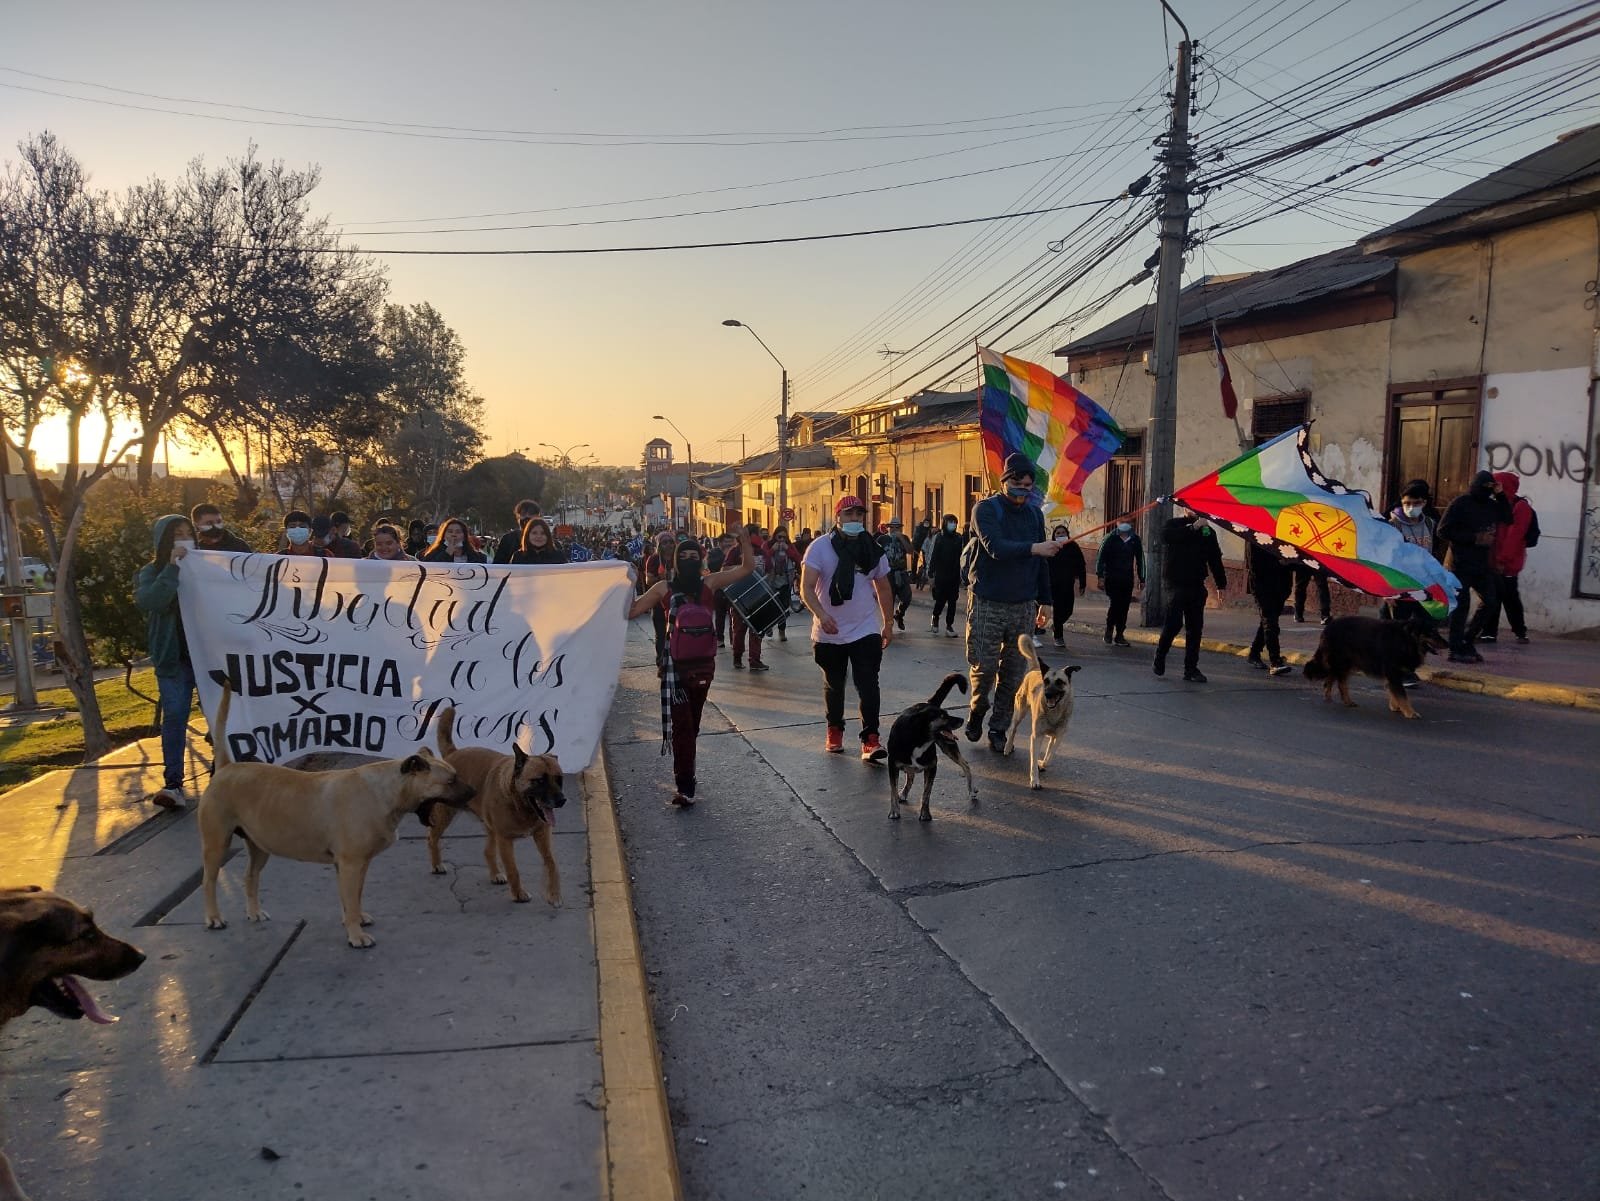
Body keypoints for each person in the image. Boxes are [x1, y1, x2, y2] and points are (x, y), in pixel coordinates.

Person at [628, 522, 755, 807]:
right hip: (673, 668)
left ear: (701, 558)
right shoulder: (663, 588)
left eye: (693, 556)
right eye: (682, 557)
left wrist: (745, 542)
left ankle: (687, 770)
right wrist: (621, 583)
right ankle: (685, 785)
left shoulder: (709, 583)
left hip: (703, 667)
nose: (688, 561)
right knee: (683, 726)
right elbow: (633, 610)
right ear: (674, 560)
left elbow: (746, 569)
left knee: (691, 724)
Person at [963, 455, 1059, 753]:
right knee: (985, 668)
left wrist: (1046, 601)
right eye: (1016, 484)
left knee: (1014, 673)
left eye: (1028, 486)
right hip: (988, 602)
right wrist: (1034, 548)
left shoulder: (1034, 515)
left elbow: (1041, 561)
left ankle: (998, 728)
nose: (1022, 490)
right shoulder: (985, 510)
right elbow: (996, 548)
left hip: (1023, 604)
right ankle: (978, 709)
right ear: (1004, 481)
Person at [800, 496, 894, 760]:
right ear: (838, 516)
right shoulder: (820, 548)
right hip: (828, 630)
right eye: (849, 514)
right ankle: (834, 730)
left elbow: (884, 587)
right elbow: (806, 588)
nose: (854, 520)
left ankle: (871, 739)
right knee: (835, 684)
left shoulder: (872, 549)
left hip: (865, 628)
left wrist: (887, 623)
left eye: (858, 515)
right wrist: (820, 614)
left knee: (868, 684)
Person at [134, 515, 198, 809]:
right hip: (174, 660)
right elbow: (152, 601)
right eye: (177, 535)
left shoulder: (207, 568)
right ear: (164, 542)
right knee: (175, 716)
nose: (185, 539)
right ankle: (173, 783)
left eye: (188, 533)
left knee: (221, 717)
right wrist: (172, 567)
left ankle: (230, 777)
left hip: (207, 656)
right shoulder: (151, 572)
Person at [1437, 470, 1511, 664]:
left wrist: (1500, 494)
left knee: (1491, 602)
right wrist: (1474, 538)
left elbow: (1508, 517)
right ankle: (1455, 648)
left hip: (1481, 565)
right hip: (1459, 564)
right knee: (1461, 608)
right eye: (1485, 488)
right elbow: (1443, 530)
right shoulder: (1461, 504)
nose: (1487, 492)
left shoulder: (1492, 505)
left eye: (1490, 488)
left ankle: (1467, 640)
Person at [1153, 513, 1226, 683]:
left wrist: (1221, 584)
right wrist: (1193, 528)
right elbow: (1167, 536)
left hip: (1196, 584)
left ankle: (1191, 669)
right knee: (1173, 624)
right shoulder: (1174, 524)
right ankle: (1160, 655)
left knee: (1195, 628)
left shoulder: (1207, 532)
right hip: (1176, 584)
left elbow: (1214, 558)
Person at [1478, 470, 1535, 645]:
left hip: (1508, 562)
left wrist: (1503, 560)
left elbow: (1514, 537)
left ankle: (1520, 631)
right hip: (1493, 560)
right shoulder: (1497, 504)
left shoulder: (1520, 507)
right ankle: (1489, 632)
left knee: (1510, 597)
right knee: (1493, 596)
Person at [723, 525, 769, 671]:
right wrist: (744, 568)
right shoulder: (735, 551)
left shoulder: (761, 551)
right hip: (739, 596)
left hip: (758, 595)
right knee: (739, 630)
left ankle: (754, 660)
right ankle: (737, 658)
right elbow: (724, 569)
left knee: (757, 630)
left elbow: (769, 569)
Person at [1245, 543, 1294, 676]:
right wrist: (1281, 564)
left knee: (1268, 621)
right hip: (1262, 586)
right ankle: (1275, 661)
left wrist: (1290, 563)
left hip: (1281, 586)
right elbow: (1255, 565)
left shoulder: (1281, 535)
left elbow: (1293, 557)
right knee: (1270, 622)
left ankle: (1254, 653)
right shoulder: (1254, 537)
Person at [1095, 519, 1145, 646]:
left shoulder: (1135, 539)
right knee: (1115, 604)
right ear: (1117, 523)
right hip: (1112, 578)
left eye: (1129, 521)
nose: (1126, 523)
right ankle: (1109, 629)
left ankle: (1120, 634)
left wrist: (1142, 578)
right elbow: (1100, 557)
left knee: (1124, 607)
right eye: (1123, 521)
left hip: (1127, 579)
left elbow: (1140, 559)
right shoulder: (1110, 538)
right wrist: (1100, 576)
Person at [1045, 522, 1087, 648]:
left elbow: (1081, 565)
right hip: (1054, 584)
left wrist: (1082, 583)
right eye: (1058, 533)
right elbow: (1044, 565)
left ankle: (1056, 625)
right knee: (1058, 610)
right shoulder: (1051, 547)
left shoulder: (1073, 547)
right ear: (1054, 535)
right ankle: (1058, 637)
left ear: (1067, 534)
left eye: (1063, 533)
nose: (1061, 535)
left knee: (1068, 610)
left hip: (1068, 584)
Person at [926, 513, 963, 637]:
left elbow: (962, 556)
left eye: (955, 522)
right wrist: (930, 574)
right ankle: (935, 618)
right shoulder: (939, 538)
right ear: (945, 523)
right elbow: (933, 556)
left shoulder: (958, 538)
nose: (953, 525)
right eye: (950, 522)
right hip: (941, 575)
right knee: (940, 600)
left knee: (953, 601)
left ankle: (949, 626)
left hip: (954, 575)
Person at [643, 531, 677, 662]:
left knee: (676, 633)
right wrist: (660, 578)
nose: (668, 545)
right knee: (661, 635)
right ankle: (661, 662)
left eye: (670, 542)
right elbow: (648, 580)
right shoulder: (654, 559)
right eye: (664, 542)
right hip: (659, 603)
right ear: (659, 545)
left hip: (676, 601)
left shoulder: (678, 557)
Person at [878, 519, 914, 631]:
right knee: (889, 599)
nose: (894, 530)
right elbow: (875, 554)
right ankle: (888, 624)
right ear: (888, 528)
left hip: (901, 572)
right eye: (892, 527)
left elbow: (910, 551)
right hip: (888, 573)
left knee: (907, 597)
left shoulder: (905, 538)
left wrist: (901, 538)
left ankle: (899, 614)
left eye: (897, 527)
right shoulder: (882, 539)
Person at [766, 527, 800, 643]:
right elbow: (763, 558)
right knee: (771, 606)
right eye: (779, 537)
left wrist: (788, 550)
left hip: (785, 580)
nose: (781, 540)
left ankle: (782, 631)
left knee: (783, 607)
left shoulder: (789, 546)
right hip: (771, 580)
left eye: (784, 537)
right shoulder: (768, 545)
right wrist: (771, 550)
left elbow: (798, 558)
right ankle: (768, 626)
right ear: (775, 536)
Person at [493, 499, 542, 564]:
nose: (527, 516)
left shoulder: (548, 541)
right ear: (518, 518)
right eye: (523, 514)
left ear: (538, 517)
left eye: (531, 513)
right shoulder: (507, 540)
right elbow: (498, 566)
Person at [420, 518, 488, 564]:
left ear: (464, 536)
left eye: (458, 532)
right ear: (443, 535)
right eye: (450, 532)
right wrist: (447, 553)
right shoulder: (431, 555)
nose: (454, 535)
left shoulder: (478, 557)